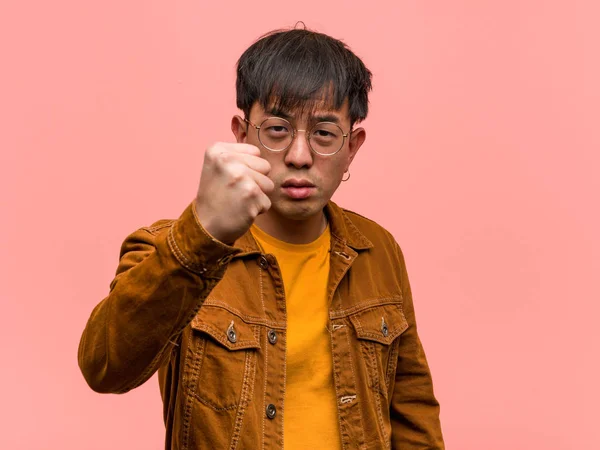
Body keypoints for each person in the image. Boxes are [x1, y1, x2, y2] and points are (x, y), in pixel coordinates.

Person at [78, 26, 444, 449]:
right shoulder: (168, 248)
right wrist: (202, 235)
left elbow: (412, 406)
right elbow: (105, 368)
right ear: (241, 133)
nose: (299, 156)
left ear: (353, 146)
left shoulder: (378, 250)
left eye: (324, 134)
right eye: (277, 129)